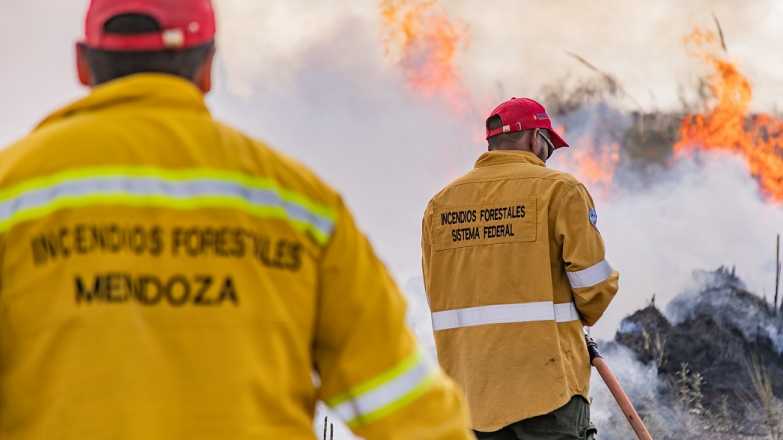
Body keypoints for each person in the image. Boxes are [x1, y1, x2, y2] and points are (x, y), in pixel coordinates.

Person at [0, 0, 472, 438]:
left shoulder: (12, 192)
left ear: (83, 64)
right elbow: (406, 406)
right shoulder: (300, 206)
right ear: (207, 68)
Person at [421, 98, 620, 439]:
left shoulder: (439, 205)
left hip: (469, 398)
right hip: (548, 393)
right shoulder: (561, 190)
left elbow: (437, 291)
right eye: (548, 146)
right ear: (533, 139)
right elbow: (595, 288)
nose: (547, 155)